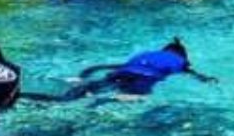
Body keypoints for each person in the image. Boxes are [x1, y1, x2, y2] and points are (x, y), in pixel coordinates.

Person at [68, 37, 217, 99]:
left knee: (94, 87)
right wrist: (209, 80)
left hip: (124, 71)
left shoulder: (147, 54)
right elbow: (195, 76)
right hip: (146, 78)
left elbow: (101, 66)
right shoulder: (180, 61)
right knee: (127, 98)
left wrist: (82, 75)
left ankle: (60, 98)